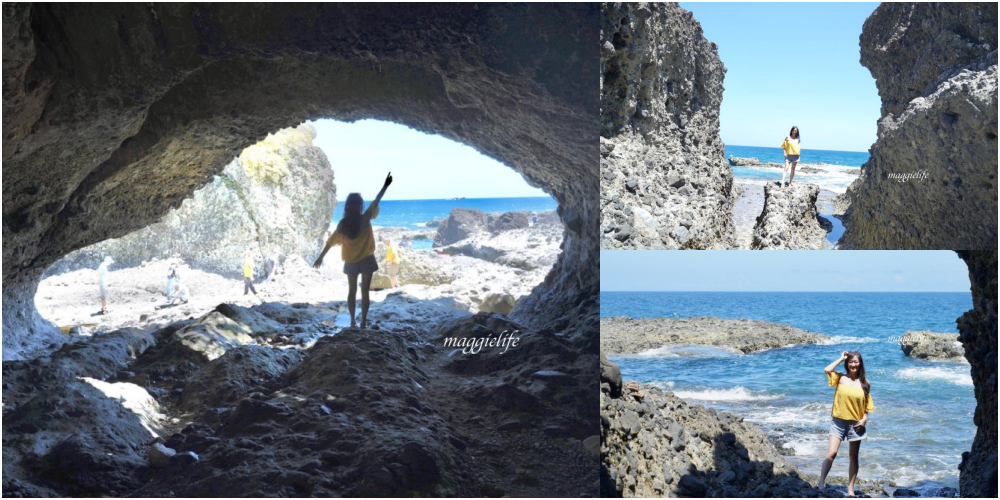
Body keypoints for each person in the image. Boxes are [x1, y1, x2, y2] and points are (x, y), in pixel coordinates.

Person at [313, 172, 393, 329]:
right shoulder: (365, 218)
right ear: (360, 205)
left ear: (347, 206)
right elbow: (376, 201)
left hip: (350, 262)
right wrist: (385, 186)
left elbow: (330, 242)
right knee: (364, 292)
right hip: (367, 260)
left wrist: (320, 257)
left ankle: (352, 322)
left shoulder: (343, 224)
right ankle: (363, 322)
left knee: (352, 292)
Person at [818, 350, 875, 496]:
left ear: (860, 363)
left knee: (853, 456)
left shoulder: (865, 383)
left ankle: (850, 489)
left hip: (856, 423)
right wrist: (840, 358)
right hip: (838, 421)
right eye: (850, 362)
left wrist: (864, 418)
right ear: (847, 364)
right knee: (832, 453)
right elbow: (827, 369)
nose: (853, 364)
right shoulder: (840, 378)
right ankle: (821, 482)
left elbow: (867, 405)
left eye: (856, 362)